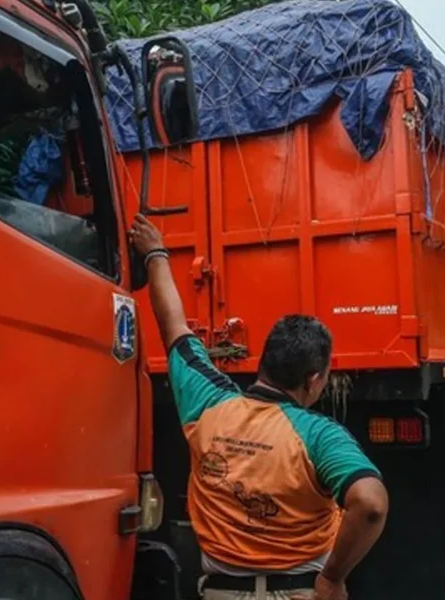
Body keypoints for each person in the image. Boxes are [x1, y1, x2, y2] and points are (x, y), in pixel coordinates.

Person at [130, 214, 389, 600]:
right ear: (314, 380)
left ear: (263, 362)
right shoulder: (320, 436)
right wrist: (333, 577)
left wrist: (155, 253)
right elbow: (369, 504)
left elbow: (174, 327)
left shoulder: (207, 405)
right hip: (301, 592)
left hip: (220, 592)